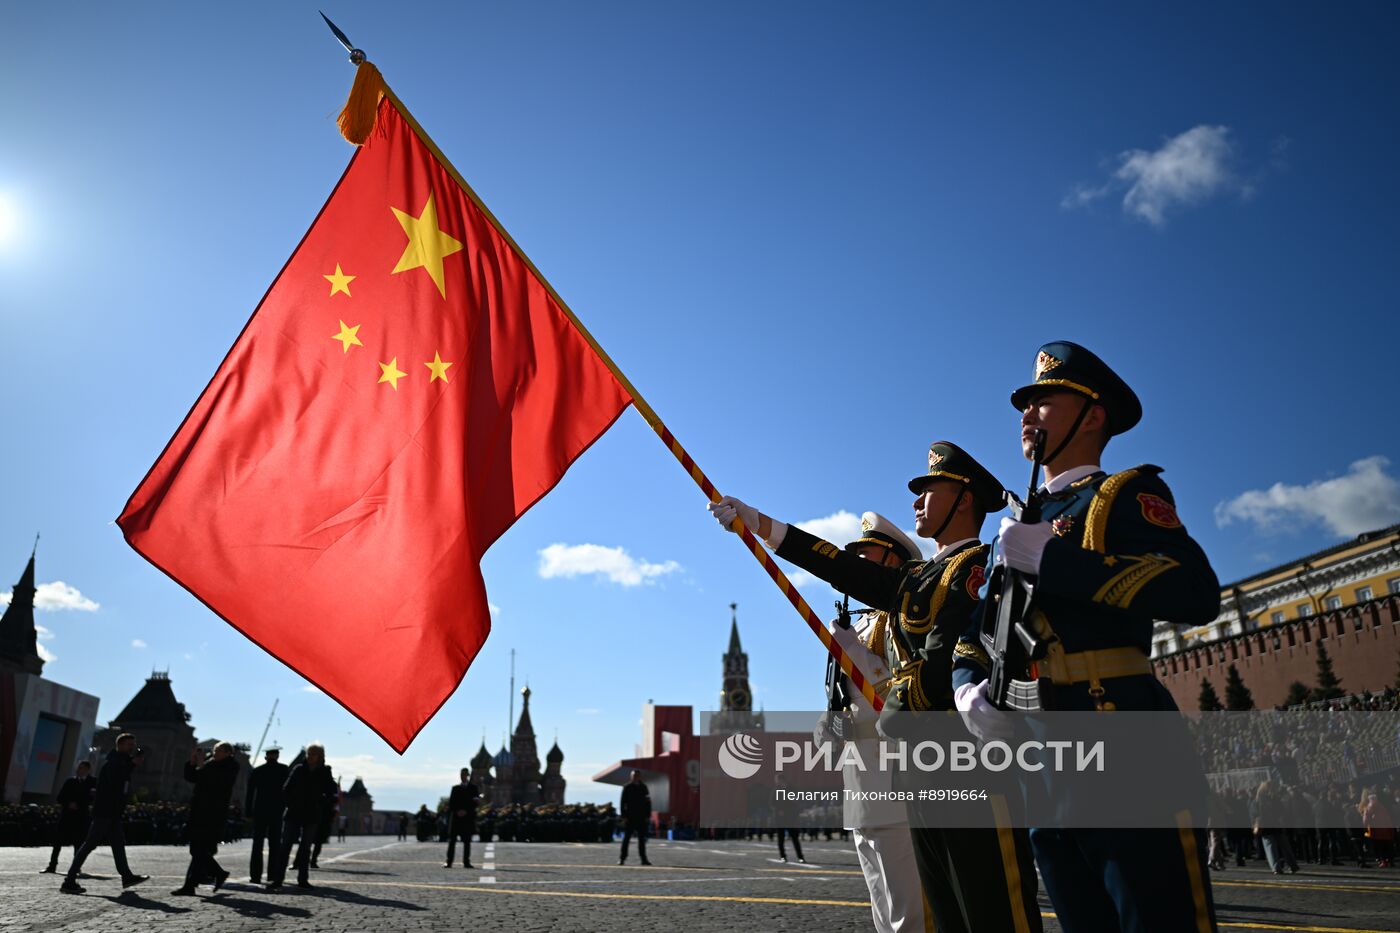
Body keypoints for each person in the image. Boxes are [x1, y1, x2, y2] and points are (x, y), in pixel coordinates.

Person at [711, 443, 1042, 933]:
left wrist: (893, 709)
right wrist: (760, 523)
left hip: (963, 757)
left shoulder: (977, 567)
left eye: (930, 489)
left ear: (965, 499)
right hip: (916, 761)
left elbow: (942, 658)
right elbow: (837, 567)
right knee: (946, 907)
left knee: (990, 903)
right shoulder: (915, 578)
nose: (916, 501)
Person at [953, 340, 1221, 932]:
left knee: (1155, 918)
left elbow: (1196, 590)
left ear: (1093, 414)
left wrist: (1055, 562)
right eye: (1026, 403)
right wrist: (967, 688)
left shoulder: (1121, 495)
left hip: (1120, 740)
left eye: (1045, 400)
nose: (1027, 413)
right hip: (1039, 756)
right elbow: (976, 634)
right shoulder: (1018, 523)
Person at [814, 512, 927, 931]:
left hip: (898, 782)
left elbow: (900, 694)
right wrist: (830, 728)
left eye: (868, 555)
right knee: (884, 912)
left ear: (893, 561)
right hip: (860, 786)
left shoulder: (904, 618)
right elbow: (846, 707)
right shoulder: (858, 627)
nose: (858, 564)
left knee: (912, 912)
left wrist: (853, 654)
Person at [60, 734, 149, 894]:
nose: (132, 748)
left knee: (118, 844)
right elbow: (116, 782)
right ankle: (69, 880)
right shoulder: (114, 763)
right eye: (129, 744)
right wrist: (132, 764)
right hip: (105, 811)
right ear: (120, 745)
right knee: (89, 844)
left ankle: (127, 876)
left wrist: (132, 764)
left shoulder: (122, 762)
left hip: (112, 812)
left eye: (133, 745)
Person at [171, 741, 241, 895]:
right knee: (197, 849)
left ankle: (191, 885)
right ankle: (216, 874)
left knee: (199, 849)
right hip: (199, 810)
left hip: (213, 813)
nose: (215, 753)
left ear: (228, 753)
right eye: (215, 750)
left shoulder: (231, 766)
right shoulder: (210, 763)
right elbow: (192, 777)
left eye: (219, 750)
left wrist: (202, 766)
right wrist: (192, 761)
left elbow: (217, 782)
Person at [267, 743, 337, 890]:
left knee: (305, 848)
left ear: (320, 756)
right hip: (293, 812)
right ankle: (278, 879)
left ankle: (303, 880)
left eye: (313, 754)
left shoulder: (325, 771)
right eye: (308, 753)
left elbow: (331, 792)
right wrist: (291, 803)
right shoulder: (298, 769)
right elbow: (286, 789)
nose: (310, 756)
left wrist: (320, 802)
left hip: (312, 814)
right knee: (285, 847)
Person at [43, 761, 95, 874]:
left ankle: (76, 867)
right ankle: (52, 866)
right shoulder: (70, 781)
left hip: (81, 817)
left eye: (81, 768)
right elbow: (60, 797)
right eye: (78, 768)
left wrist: (80, 805)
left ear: (87, 769)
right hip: (67, 816)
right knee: (58, 842)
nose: (78, 770)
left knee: (78, 843)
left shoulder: (93, 782)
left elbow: (93, 798)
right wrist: (68, 803)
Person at [245, 747, 288, 884]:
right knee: (275, 844)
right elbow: (288, 791)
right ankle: (272, 875)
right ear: (277, 756)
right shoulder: (283, 770)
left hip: (260, 811)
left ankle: (255, 876)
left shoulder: (258, 771)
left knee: (257, 844)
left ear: (266, 757)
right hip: (277, 811)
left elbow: (250, 793)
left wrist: (248, 812)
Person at [444, 767, 480, 868]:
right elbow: (451, 803)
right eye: (461, 775)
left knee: (467, 841)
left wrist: (466, 811)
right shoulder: (455, 788)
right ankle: (449, 861)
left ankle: (466, 861)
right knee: (452, 841)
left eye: (464, 774)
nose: (462, 776)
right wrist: (457, 811)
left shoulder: (473, 788)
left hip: (467, 818)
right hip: (456, 818)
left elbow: (475, 803)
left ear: (468, 775)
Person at [619, 770, 652, 865]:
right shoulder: (627, 787)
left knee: (642, 840)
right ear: (631, 776)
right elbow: (622, 803)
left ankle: (643, 859)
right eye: (634, 775)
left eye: (637, 775)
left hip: (642, 818)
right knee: (626, 839)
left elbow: (648, 802)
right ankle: (622, 858)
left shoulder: (644, 787)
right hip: (630, 817)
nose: (635, 777)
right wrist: (624, 816)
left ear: (640, 776)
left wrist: (647, 816)